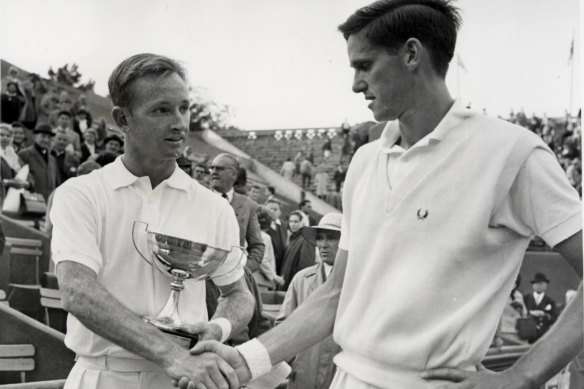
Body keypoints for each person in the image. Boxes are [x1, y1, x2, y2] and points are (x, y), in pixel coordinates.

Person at [188, 2, 583, 388]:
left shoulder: (512, 153)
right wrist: (246, 360)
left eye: (364, 65)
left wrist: (523, 375)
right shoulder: (363, 161)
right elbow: (336, 293)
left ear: (412, 54)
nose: (356, 84)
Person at [50, 53, 254, 389]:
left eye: (184, 108)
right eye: (162, 110)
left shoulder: (213, 207)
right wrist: (170, 356)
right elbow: (78, 292)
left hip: (184, 379)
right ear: (123, 119)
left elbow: (239, 295)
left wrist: (216, 330)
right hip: (103, 376)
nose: (180, 122)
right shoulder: (81, 193)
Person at [275, 212, 342, 389]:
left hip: (340, 375)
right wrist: (290, 364)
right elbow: (283, 326)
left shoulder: (357, 282)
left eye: (331, 238)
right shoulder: (302, 279)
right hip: (303, 373)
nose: (323, 244)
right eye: (320, 238)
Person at [209, 153, 265, 273]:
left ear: (234, 174)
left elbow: (257, 246)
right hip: (198, 277)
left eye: (219, 168)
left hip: (229, 280)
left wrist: (243, 271)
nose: (213, 172)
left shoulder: (248, 205)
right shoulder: (200, 198)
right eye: (212, 167)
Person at [18, 124, 60, 201]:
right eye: (43, 136)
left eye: (49, 137)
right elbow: (21, 180)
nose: (46, 140)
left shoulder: (52, 159)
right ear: (35, 136)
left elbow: (57, 183)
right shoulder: (24, 154)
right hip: (31, 202)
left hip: (49, 202)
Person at [279, 210, 315, 290]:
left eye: (296, 221)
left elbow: (306, 264)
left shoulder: (306, 239)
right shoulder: (294, 238)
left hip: (296, 284)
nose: (293, 224)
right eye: (291, 221)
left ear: (302, 222)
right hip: (288, 282)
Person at [253, 205, 284, 291]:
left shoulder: (250, 234)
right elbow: (263, 259)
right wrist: (275, 277)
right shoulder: (265, 237)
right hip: (261, 282)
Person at [0, 123, 33, 204]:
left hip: (12, 197)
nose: (5, 138)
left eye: (8, 136)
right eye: (1, 135)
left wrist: (27, 183)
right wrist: (7, 182)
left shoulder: (13, 154)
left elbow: (26, 172)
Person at [524, 272, 557, 342]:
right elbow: (520, 313)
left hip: (543, 335)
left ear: (546, 285)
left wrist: (544, 315)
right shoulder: (526, 298)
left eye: (542, 283)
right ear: (533, 285)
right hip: (527, 334)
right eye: (536, 283)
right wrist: (531, 312)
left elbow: (554, 318)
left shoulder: (550, 301)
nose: (539, 285)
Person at [265, 199, 288, 274]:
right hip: (268, 266)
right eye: (270, 209)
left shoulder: (283, 225)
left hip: (281, 266)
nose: (272, 211)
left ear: (280, 212)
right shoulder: (261, 224)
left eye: (275, 209)